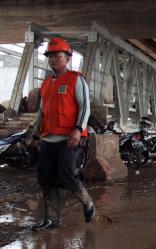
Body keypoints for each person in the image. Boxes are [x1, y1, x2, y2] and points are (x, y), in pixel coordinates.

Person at [30, 38, 95, 231]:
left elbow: (85, 107)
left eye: (58, 56)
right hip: (48, 138)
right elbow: (42, 112)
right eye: (50, 57)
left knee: (67, 175)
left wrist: (77, 128)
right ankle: (52, 219)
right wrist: (35, 135)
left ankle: (87, 201)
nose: (53, 60)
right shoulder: (46, 84)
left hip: (70, 137)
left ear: (67, 58)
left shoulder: (76, 79)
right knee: (45, 178)